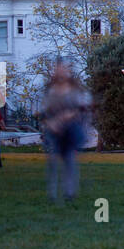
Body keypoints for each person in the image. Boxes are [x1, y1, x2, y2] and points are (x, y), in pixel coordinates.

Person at [40, 61, 88, 202]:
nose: (61, 72)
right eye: (58, 69)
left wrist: (66, 116)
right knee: (52, 161)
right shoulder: (50, 90)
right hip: (53, 130)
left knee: (69, 160)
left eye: (63, 69)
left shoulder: (74, 89)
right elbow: (43, 111)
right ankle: (52, 194)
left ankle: (69, 193)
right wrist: (50, 123)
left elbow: (80, 108)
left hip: (69, 129)